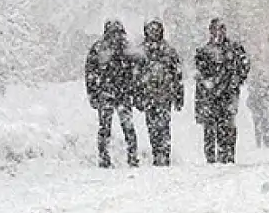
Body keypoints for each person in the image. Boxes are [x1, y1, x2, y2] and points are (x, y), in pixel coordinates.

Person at [85, 20, 142, 168]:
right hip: (110, 93)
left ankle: (129, 156)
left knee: (123, 127)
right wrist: (93, 93)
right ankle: (110, 157)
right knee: (109, 127)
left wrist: (135, 91)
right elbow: (90, 72)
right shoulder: (101, 49)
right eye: (113, 33)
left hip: (118, 93)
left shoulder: (123, 48)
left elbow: (137, 72)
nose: (115, 36)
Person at [194, 18, 251, 164]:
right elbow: (200, 73)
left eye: (221, 30)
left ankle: (227, 155)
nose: (218, 33)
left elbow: (244, 64)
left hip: (228, 93)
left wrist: (237, 79)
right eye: (215, 30)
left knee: (227, 125)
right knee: (210, 127)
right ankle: (211, 156)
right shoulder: (204, 51)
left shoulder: (234, 49)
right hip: (210, 95)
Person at [137, 19, 184, 166]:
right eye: (151, 30)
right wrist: (137, 95)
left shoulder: (169, 51)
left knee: (164, 125)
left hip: (165, 96)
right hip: (148, 95)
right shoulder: (141, 51)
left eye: (156, 29)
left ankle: (165, 153)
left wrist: (179, 96)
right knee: (152, 127)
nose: (154, 32)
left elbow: (177, 75)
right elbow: (135, 76)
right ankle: (156, 153)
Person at [246, 69, 269, 148]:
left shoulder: (257, 88)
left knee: (262, 125)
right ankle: (262, 142)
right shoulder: (256, 88)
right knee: (261, 125)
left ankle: (263, 142)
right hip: (259, 108)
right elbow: (249, 101)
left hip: (261, 108)